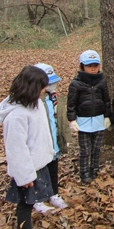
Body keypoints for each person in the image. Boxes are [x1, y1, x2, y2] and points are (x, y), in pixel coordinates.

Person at [0, 65, 55, 229]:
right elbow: (16, 149)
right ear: (32, 87)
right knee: (25, 203)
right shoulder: (16, 117)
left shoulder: (36, 104)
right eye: (42, 87)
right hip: (28, 168)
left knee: (33, 200)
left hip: (38, 163)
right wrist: (25, 176)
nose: (44, 90)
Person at [66, 50, 111, 184]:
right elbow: (71, 103)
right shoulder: (76, 84)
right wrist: (72, 119)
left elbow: (106, 100)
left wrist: (107, 116)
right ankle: (84, 172)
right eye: (89, 66)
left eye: (95, 65)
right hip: (83, 122)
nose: (92, 69)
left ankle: (94, 169)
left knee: (96, 148)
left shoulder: (102, 81)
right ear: (82, 66)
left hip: (98, 120)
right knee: (85, 149)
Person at [32, 63, 70, 213]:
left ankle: (53, 194)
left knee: (53, 170)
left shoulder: (55, 98)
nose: (52, 85)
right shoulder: (34, 101)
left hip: (54, 141)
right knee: (39, 172)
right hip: (40, 143)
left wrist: (65, 136)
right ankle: (38, 199)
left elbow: (61, 119)